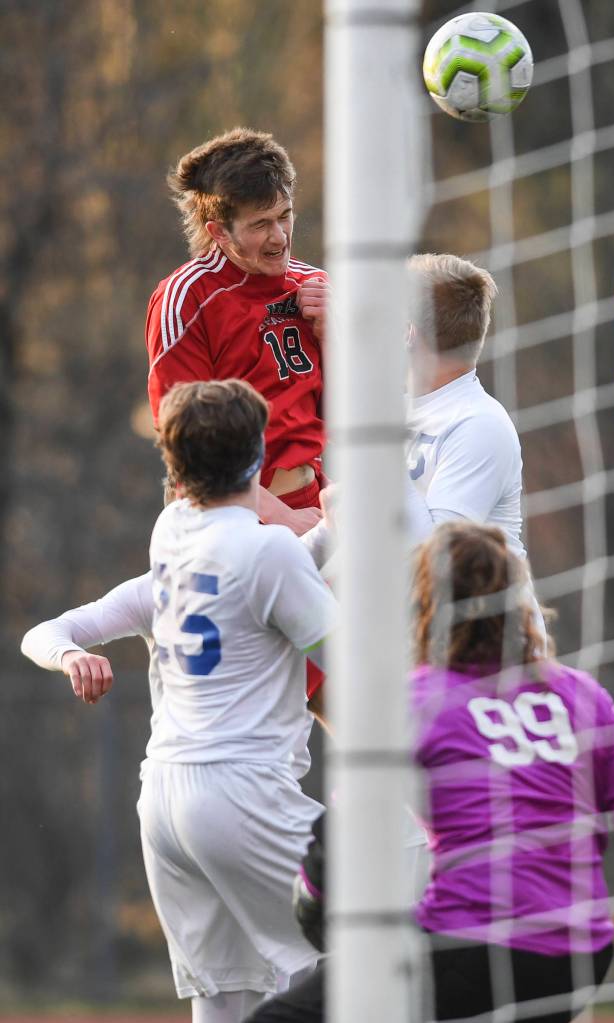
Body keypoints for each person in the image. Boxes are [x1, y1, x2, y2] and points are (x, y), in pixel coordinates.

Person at [248, 521, 614, 1023]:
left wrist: (314, 898)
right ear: (519, 604)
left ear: (424, 606)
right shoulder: (578, 694)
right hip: (579, 956)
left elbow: (344, 834)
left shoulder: (414, 701)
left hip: (471, 945)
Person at [23, 379, 338, 1023]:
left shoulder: (171, 544)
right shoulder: (267, 550)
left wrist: (72, 655)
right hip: (241, 793)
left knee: (225, 1000)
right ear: (258, 457)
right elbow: (352, 660)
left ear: (173, 465)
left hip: (164, 803)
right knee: (368, 954)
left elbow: (46, 633)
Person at [146, 127, 329, 536]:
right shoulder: (184, 300)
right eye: (260, 224)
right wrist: (280, 518)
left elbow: (348, 417)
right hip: (228, 519)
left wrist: (335, 338)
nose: (279, 237)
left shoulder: (315, 286)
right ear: (218, 232)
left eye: (285, 215)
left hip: (310, 508)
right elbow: (188, 445)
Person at [404, 253, 526, 562]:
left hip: (488, 611)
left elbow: (438, 562)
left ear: (408, 332)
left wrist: (379, 455)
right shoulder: (398, 409)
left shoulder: (480, 425)